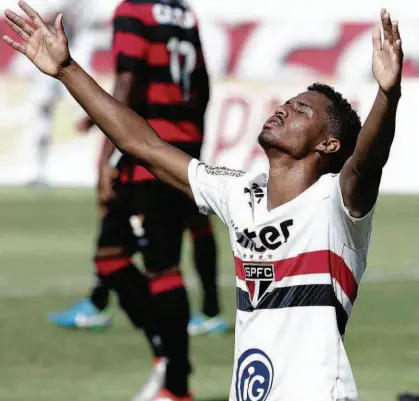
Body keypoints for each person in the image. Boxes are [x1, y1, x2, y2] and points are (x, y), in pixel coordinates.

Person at [3, 2, 404, 400]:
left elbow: (366, 164)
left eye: (301, 110)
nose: (283, 109)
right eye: (286, 102)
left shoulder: (335, 204)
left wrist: (387, 94)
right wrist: (66, 70)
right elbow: (142, 144)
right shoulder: (240, 193)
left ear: (328, 144)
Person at [46, 0, 227, 339]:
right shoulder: (184, 12)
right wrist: (195, 140)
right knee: (193, 221)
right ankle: (209, 311)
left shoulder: (133, 10)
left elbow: (128, 80)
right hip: (184, 138)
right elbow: (202, 83)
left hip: (146, 143)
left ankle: (163, 350)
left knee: (133, 242)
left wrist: (105, 155)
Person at [11, 0, 109, 187]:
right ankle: (37, 171)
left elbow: (88, 19)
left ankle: (98, 166)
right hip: (48, 57)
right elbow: (43, 16)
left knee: (91, 111)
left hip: (75, 57)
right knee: (40, 118)